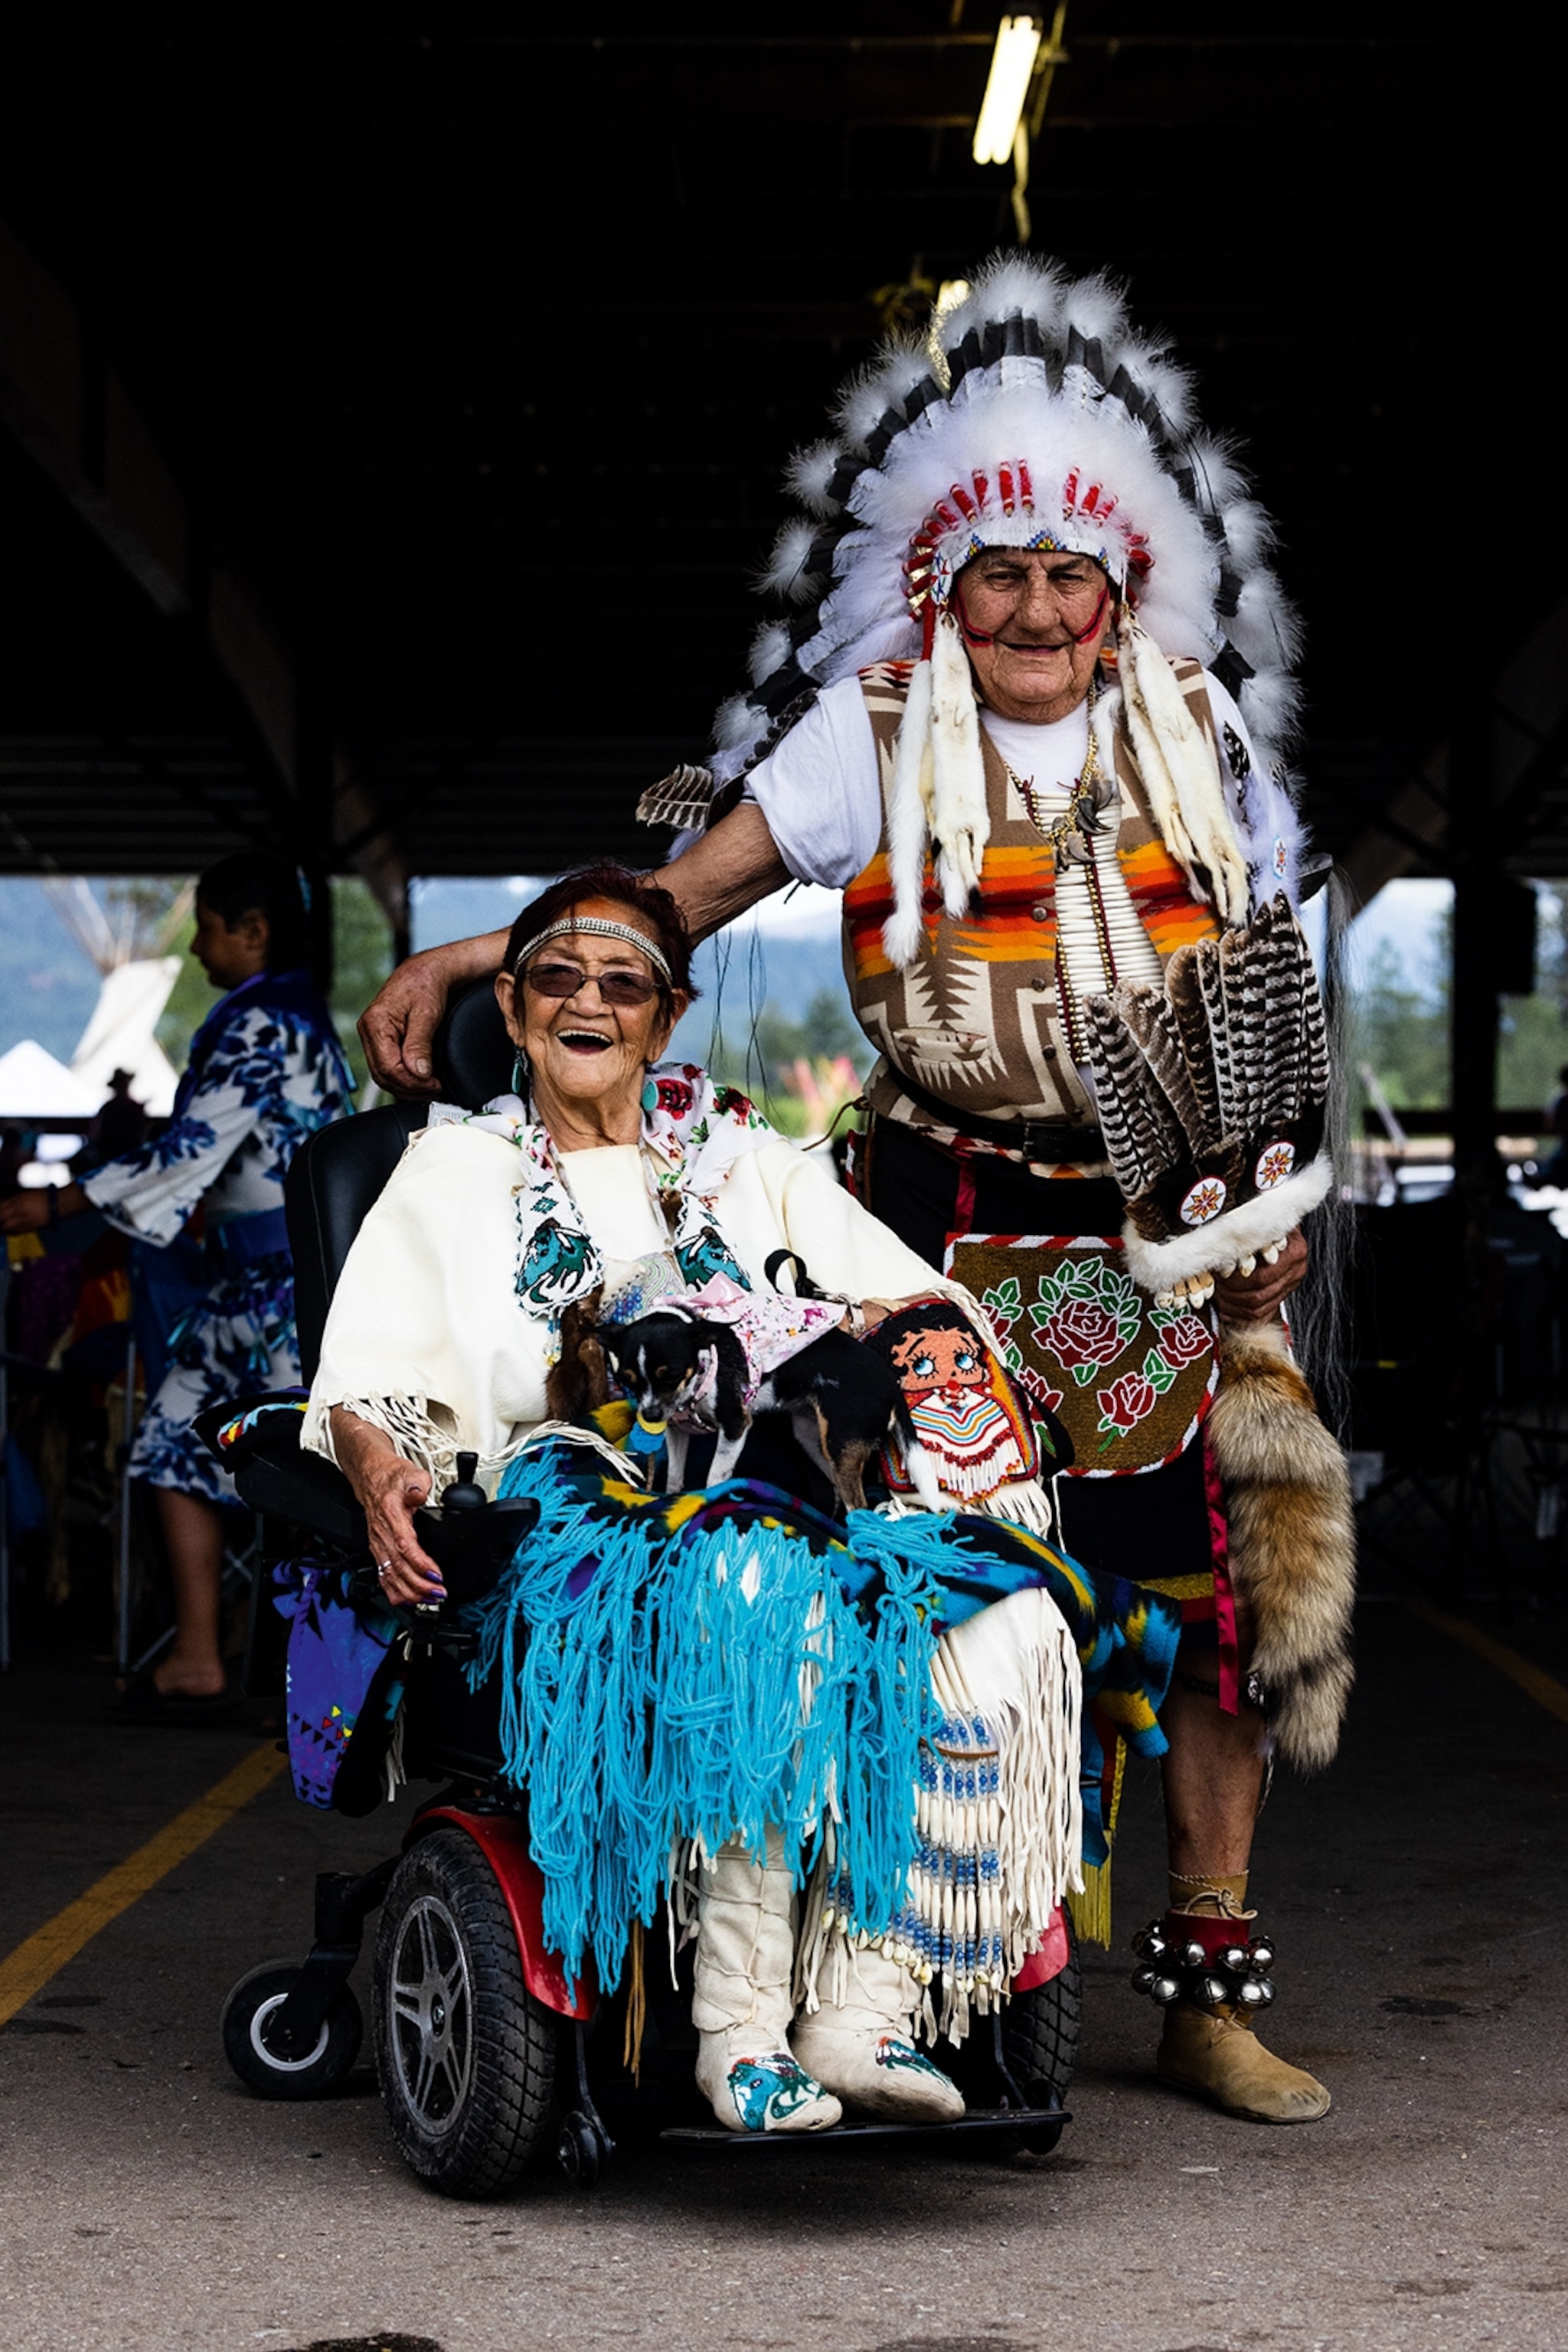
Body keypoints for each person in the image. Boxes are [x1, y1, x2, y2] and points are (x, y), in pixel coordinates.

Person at [355, 258, 1356, 2127]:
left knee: (1204, 1606)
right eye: (1001, 575)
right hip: (920, 1216)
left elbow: (1263, 967)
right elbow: (678, 904)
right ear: (942, 582)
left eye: (1071, 576)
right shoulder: (873, 727)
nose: (1038, 607)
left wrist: (1268, 1204)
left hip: (1169, 1233)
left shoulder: (1198, 727)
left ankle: (1203, 1983)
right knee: (890, 1585)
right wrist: (483, 953)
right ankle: (876, 1969)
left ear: (1119, 582)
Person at [305, 863, 1179, 2136]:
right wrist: (381, 1469)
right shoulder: (452, 1173)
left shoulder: (749, 1165)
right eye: (557, 978)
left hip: (795, 1489)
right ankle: (739, 2027)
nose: (588, 1004)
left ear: (665, 1019)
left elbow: (923, 1306)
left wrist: (883, 1345)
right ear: (508, 1004)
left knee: (1009, 1621)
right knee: (758, 1586)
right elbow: (371, 1378)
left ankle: (864, 2003)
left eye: (624, 984)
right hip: (569, 1507)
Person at [2, 854, 354, 1715]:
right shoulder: (290, 1018)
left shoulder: (264, 1027)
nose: (196, 948)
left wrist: (58, 1201)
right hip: (259, 1287)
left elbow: (190, 1151)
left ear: (253, 931)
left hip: (285, 1290)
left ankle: (321, 1670)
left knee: (316, 1471)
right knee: (173, 1444)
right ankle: (205, 1654)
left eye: (207, 927)